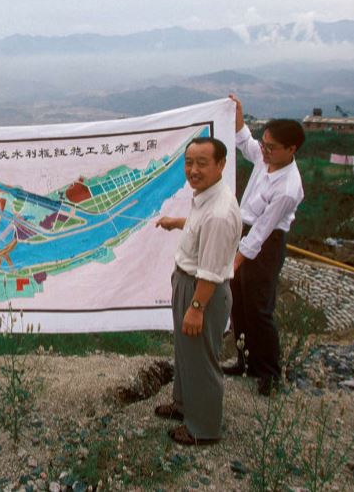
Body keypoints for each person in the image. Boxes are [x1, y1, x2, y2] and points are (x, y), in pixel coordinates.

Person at [153, 136, 241, 445]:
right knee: (186, 352)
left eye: (202, 163)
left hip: (201, 291)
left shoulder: (219, 213)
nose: (193, 170)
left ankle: (203, 429)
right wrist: (177, 222)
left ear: (220, 165)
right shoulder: (206, 197)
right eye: (189, 162)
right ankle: (183, 405)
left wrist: (196, 307)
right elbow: (197, 225)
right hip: (189, 284)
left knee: (201, 359)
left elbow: (211, 271)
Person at [225, 95, 305, 396]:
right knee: (239, 303)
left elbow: (261, 233)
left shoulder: (288, 187)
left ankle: (269, 371)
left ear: (291, 149)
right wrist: (238, 115)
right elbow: (245, 142)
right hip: (244, 231)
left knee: (259, 307)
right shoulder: (265, 157)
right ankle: (244, 361)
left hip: (266, 243)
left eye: (271, 147)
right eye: (265, 144)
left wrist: (236, 260)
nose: (265, 150)